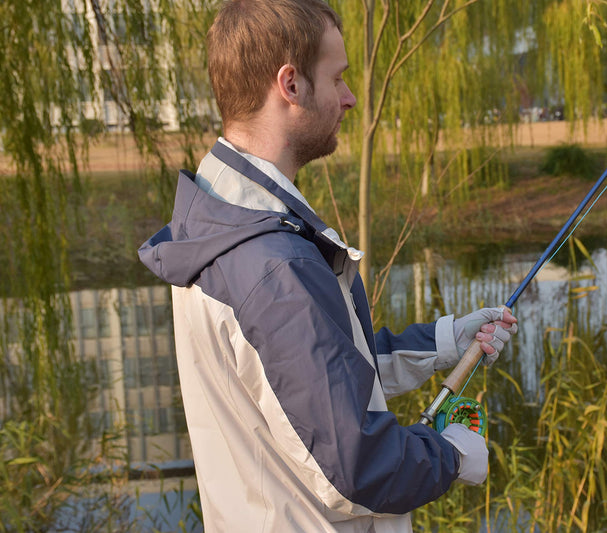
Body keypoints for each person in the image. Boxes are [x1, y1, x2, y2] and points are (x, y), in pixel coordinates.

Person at [138, 1, 518, 531]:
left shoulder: (219, 218)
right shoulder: (272, 265)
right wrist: (452, 454)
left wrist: (445, 343)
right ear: (290, 85)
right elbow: (357, 467)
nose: (350, 98)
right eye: (336, 78)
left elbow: (315, 381)